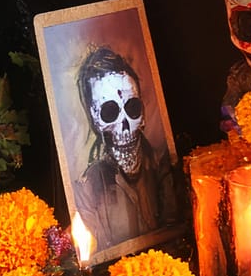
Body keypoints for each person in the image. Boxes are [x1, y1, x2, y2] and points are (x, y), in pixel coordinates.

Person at [72, 46, 179, 254]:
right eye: (109, 112)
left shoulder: (164, 165)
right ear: (96, 120)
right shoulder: (87, 188)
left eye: (132, 108)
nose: (124, 126)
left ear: (143, 114)